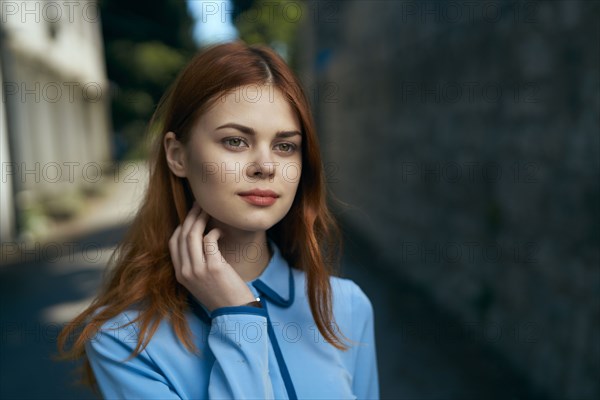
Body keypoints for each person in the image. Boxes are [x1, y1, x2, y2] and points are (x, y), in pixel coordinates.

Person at [57, 40, 379, 399]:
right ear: (177, 155)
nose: (266, 166)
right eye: (236, 141)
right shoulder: (123, 339)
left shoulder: (345, 307)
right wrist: (237, 317)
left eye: (285, 145)